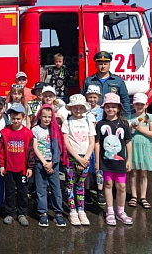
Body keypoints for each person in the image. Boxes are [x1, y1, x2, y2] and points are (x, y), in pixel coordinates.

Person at [95, 93, 133, 226]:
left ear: (118, 108)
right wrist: (97, 162)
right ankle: (110, 211)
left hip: (120, 162)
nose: (110, 109)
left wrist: (129, 160)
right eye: (108, 107)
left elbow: (128, 142)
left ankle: (121, 212)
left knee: (121, 186)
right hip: (105, 162)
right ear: (104, 108)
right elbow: (97, 143)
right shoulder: (100, 124)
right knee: (108, 185)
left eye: (113, 107)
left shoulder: (123, 123)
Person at [0, 103, 35, 227]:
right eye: (13, 118)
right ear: (10, 118)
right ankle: (10, 213)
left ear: (23, 117)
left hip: (22, 169)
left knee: (23, 191)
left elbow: (30, 151)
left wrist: (30, 167)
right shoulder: (5, 132)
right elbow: (1, 150)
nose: (16, 121)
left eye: (18, 119)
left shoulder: (27, 133)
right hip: (9, 168)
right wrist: (2, 165)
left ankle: (22, 213)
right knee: (9, 191)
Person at [62, 95, 96, 226]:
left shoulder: (88, 122)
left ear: (84, 108)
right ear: (71, 108)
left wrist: (86, 158)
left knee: (80, 184)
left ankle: (81, 210)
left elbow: (92, 142)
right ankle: (72, 211)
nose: (78, 110)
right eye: (75, 107)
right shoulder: (67, 122)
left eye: (81, 108)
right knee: (69, 184)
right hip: (72, 157)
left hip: (85, 158)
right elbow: (66, 142)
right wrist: (78, 158)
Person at [32, 104, 67, 227]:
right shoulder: (35, 129)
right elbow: (35, 147)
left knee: (56, 189)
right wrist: (44, 163)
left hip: (54, 163)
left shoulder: (55, 130)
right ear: (39, 116)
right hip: (40, 163)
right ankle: (43, 213)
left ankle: (58, 213)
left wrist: (52, 163)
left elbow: (58, 148)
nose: (47, 119)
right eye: (44, 116)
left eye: (49, 117)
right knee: (40, 189)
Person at [128, 93, 152, 210]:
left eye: (142, 104)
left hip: (146, 147)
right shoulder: (131, 117)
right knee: (133, 172)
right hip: (133, 146)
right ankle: (133, 196)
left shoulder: (149, 117)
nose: (139, 106)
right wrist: (132, 127)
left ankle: (143, 197)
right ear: (134, 104)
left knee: (143, 173)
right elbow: (128, 133)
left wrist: (140, 128)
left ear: (146, 105)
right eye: (137, 104)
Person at [81, 51, 131, 119]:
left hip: (112, 116)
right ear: (96, 65)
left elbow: (125, 100)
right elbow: (82, 100)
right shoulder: (88, 81)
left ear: (109, 65)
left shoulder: (118, 81)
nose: (103, 66)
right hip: (93, 116)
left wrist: (127, 118)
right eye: (100, 64)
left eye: (105, 64)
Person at [84, 85, 106, 205]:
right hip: (87, 142)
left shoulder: (102, 111)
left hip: (98, 142)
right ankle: (86, 190)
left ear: (98, 97)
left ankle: (99, 190)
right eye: (90, 97)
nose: (92, 100)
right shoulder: (84, 110)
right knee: (87, 168)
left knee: (99, 168)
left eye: (94, 97)